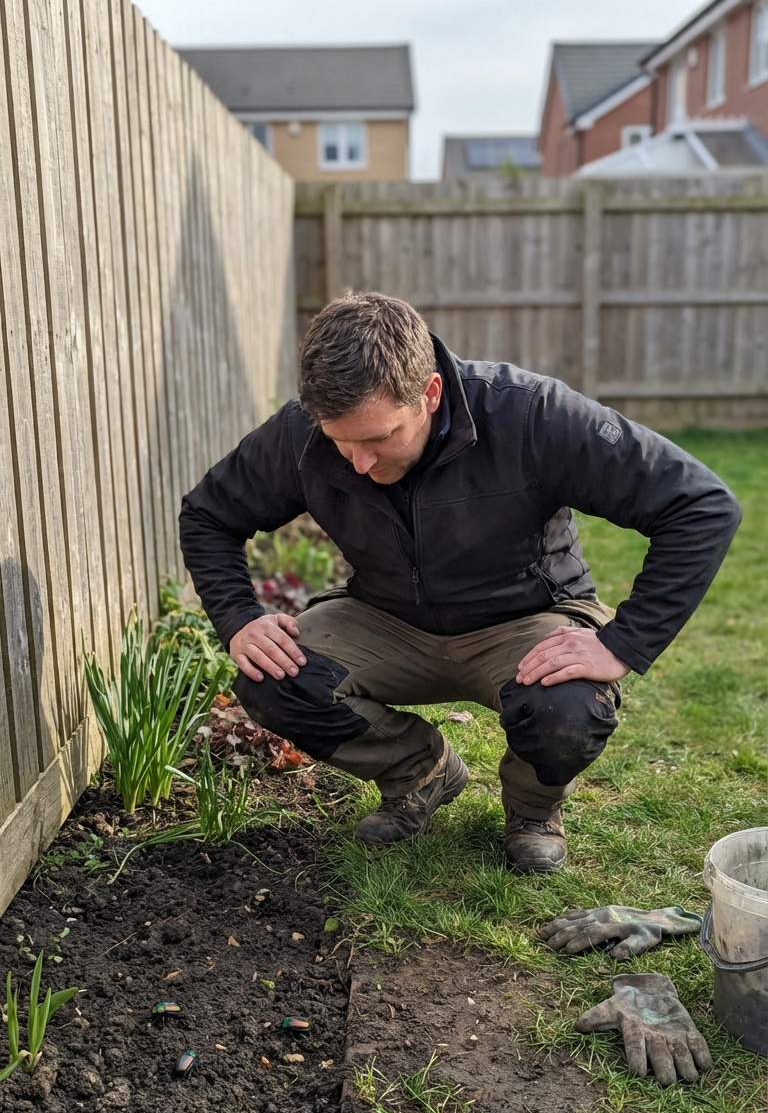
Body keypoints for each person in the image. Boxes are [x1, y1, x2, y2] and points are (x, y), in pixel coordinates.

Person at [179, 293, 741, 874]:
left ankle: (533, 809)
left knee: (567, 709)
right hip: (385, 617)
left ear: (430, 393)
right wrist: (239, 619)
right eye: (341, 441)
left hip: (525, 617)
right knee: (273, 680)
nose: (359, 463)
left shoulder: (531, 416)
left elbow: (700, 505)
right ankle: (418, 772)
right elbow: (208, 515)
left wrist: (623, 642)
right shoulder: (300, 434)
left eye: (379, 438)